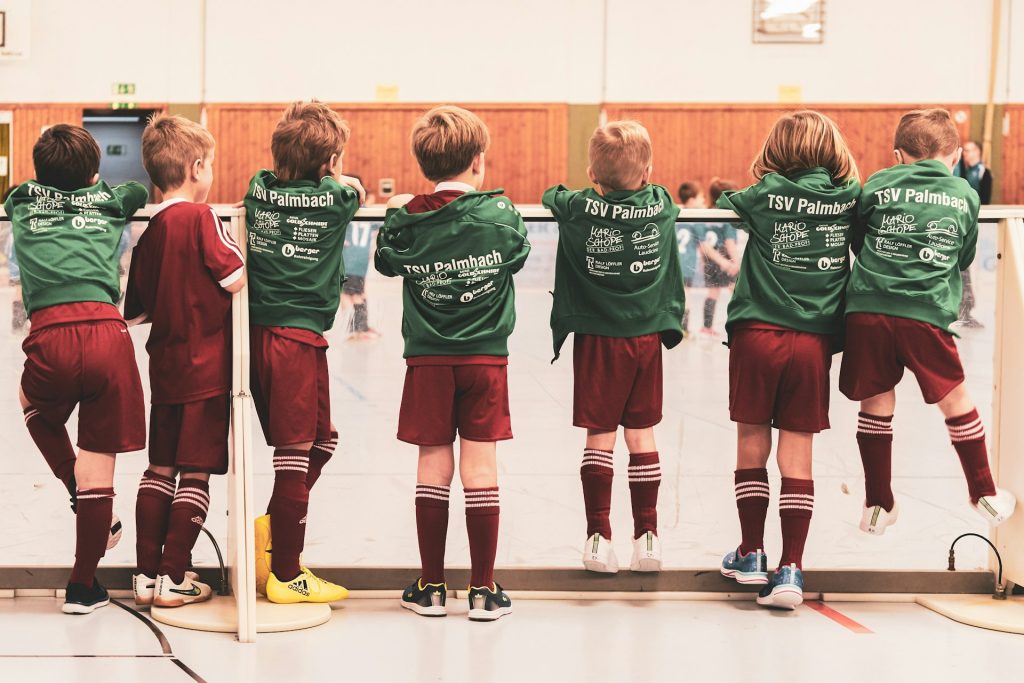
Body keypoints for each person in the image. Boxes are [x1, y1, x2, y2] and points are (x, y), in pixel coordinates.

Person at [376, 105, 530, 621]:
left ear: (423, 164)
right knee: (481, 466)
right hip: (486, 358)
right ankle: (484, 590)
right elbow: (518, 251)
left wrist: (402, 206)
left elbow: (384, 258)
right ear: (479, 161)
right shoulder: (500, 214)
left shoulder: (408, 217)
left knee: (432, 465)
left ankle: (432, 586)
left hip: (427, 359)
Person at [840, 109, 1016, 535]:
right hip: (924, 312)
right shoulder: (964, 194)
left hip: (867, 310)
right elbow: (964, 256)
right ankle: (984, 493)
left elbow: (859, 240)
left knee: (876, 403)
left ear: (897, 155)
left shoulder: (879, 182)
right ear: (954, 156)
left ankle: (878, 502)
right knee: (955, 400)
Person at [715, 111, 861, 609]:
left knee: (752, 440)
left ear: (777, 150)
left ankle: (752, 553)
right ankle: (791, 569)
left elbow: (725, 201)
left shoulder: (764, 195)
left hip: (756, 333)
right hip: (812, 342)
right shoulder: (847, 199)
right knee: (797, 451)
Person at [4, 124, 148, 613]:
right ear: (93, 173)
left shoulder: (22, 201)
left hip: (49, 335)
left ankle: (69, 483)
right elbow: (136, 190)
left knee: (29, 401)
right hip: (108, 334)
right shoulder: (110, 199)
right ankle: (82, 587)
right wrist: (95, 190)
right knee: (99, 464)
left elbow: (17, 192)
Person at [543, 121, 683, 574]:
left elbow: (553, 195)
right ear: (647, 173)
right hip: (645, 339)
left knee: (599, 437)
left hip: (597, 341)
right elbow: (661, 193)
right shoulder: (660, 204)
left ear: (591, 173)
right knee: (642, 436)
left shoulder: (578, 207)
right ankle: (648, 538)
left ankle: (598, 538)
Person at [244, 101, 365, 605]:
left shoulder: (259, 190)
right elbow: (352, 189)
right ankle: (286, 572)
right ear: (331, 163)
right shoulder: (338, 198)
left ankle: (271, 528)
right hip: (291, 340)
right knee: (294, 454)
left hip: (283, 336)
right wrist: (339, 175)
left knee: (322, 440)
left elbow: (265, 178)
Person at [125, 115, 246, 608]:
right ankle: (175, 575)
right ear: (197, 168)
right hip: (206, 371)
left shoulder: (150, 233)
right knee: (194, 473)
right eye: (211, 164)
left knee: (159, 468)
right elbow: (235, 275)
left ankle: (146, 575)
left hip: (166, 371)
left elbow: (135, 312)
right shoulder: (201, 220)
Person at [953, 140, 992, 328]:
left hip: (973, 226)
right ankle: (962, 311)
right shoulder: (959, 170)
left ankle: (966, 311)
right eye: (964, 151)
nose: (967, 154)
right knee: (962, 271)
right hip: (960, 226)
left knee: (966, 270)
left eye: (970, 150)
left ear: (978, 152)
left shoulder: (983, 173)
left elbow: (984, 201)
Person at [340, 177, 381, 340]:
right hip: (355, 264)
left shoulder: (348, 213)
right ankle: (356, 329)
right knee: (354, 295)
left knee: (355, 294)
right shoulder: (367, 214)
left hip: (352, 264)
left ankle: (359, 328)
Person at [698, 178, 740, 337]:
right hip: (724, 259)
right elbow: (730, 243)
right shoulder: (727, 215)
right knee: (736, 292)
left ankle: (706, 327)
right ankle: (739, 325)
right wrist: (735, 262)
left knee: (713, 293)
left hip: (711, 259)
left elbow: (702, 244)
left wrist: (704, 261)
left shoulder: (705, 215)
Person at [676, 181, 706, 337]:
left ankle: (676, 326)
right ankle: (684, 328)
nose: (703, 201)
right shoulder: (696, 218)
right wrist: (703, 261)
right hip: (686, 265)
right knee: (685, 295)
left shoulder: (676, 213)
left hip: (674, 264)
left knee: (677, 294)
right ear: (692, 200)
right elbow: (702, 245)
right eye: (701, 198)